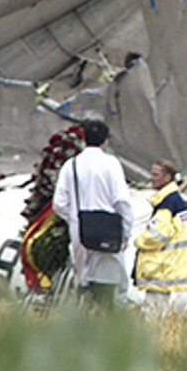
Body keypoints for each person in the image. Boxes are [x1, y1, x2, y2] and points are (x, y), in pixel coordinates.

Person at [52, 119, 133, 307]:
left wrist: (74, 217)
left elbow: (58, 204)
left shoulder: (70, 165)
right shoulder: (111, 164)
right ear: (105, 141)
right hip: (108, 230)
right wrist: (126, 231)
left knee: (83, 280)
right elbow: (122, 201)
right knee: (110, 284)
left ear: (84, 139)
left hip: (80, 231)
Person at [134, 159, 187, 313]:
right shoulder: (175, 201)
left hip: (160, 268)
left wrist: (138, 241)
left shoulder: (167, 203)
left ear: (168, 177)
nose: (151, 178)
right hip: (167, 268)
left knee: (154, 316)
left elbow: (157, 235)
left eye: (156, 174)